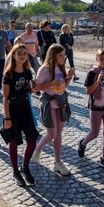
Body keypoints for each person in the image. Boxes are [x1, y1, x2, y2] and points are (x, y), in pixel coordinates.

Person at [32, 44, 75, 176]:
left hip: (61, 102)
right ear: (53, 55)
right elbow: (36, 88)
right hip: (49, 102)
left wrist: (69, 77)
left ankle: (58, 162)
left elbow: (63, 87)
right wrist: (51, 83)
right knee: (52, 133)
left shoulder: (61, 68)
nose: (64, 58)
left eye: (64, 55)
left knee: (59, 132)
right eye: (61, 55)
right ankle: (38, 149)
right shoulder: (44, 69)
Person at [3, 44, 40, 186]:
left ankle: (24, 167)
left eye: (24, 53)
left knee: (32, 140)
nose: (23, 55)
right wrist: (7, 118)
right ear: (13, 55)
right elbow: (5, 98)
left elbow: (28, 90)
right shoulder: (9, 74)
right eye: (19, 53)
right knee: (13, 141)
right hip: (12, 110)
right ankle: (15, 171)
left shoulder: (27, 71)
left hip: (25, 108)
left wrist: (33, 88)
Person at [77, 49, 104, 170]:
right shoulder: (92, 73)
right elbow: (88, 91)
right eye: (101, 59)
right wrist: (98, 81)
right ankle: (82, 143)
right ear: (97, 59)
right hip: (96, 107)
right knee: (95, 132)